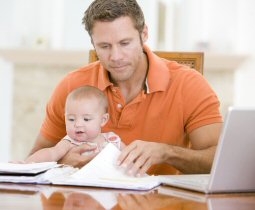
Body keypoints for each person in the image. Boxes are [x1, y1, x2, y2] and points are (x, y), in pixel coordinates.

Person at [29, 0, 223, 176]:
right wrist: (64, 162)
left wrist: (166, 153)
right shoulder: (72, 86)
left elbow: (218, 161)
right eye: (104, 46)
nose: (116, 56)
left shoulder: (188, 84)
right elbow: (33, 160)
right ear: (93, 44)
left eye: (125, 43)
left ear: (144, 34)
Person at [26, 86, 123, 163]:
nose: (78, 124)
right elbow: (50, 154)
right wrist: (27, 163)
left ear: (103, 120)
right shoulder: (70, 143)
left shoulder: (113, 140)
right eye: (71, 119)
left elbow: (129, 156)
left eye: (86, 119)